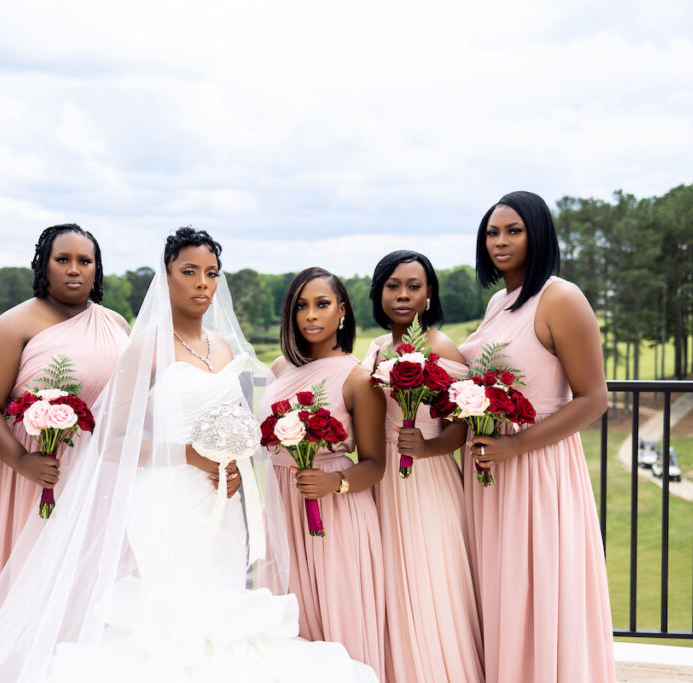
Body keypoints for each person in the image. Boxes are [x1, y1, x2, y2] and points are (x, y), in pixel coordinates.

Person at [0, 229, 377, 682]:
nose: (202, 283)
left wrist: (235, 466)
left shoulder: (222, 346)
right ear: (166, 278)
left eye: (211, 273)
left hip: (221, 501)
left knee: (219, 604)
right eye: (189, 272)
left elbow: (236, 424)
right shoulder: (145, 347)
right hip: (167, 500)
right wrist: (188, 455)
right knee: (171, 613)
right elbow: (113, 440)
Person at [460, 191, 615, 682]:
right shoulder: (498, 302)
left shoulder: (561, 298)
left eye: (514, 231)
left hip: (537, 468)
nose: (499, 242)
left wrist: (514, 445)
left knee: (538, 584)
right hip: (490, 471)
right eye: (492, 233)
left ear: (539, 235)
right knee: (501, 588)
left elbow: (593, 398)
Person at [0, 224, 129, 649]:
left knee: (92, 580)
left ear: (97, 268)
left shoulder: (116, 323)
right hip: (31, 474)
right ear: (43, 265)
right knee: (31, 577)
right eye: (62, 259)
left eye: (84, 261)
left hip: (101, 475)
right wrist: (21, 460)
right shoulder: (14, 325)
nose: (74, 269)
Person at [361, 250, 483, 683]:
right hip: (382, 477)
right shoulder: (377, 349)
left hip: (427, 477)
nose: (403, 295)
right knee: (390, 580)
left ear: (429, 293)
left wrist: (427, 448)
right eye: (393, 286)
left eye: (413, 286)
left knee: (432, 576)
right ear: (379, 294)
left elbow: (461, 427)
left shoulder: (440, 347)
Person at [261, 267, 388, 680]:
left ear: (342, 310)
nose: (311, 315)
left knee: (340, 625)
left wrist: (335, 482)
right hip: (283, 510)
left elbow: (376, 464)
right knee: (287, 630)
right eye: (301, 306)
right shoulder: (280, 368)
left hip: (335, 515)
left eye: (322, 304)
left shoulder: (357, 377)